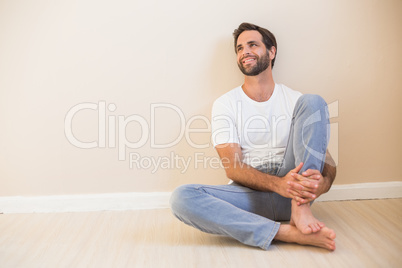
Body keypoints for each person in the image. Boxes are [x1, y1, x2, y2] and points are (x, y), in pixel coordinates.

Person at [170, 22, 337, 251]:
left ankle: (301, 208)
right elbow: (233, 168)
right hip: (249, 197)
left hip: (293, 193)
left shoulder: (297, 101)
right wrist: (280, 185)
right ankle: (286, 233)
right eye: (239, 48)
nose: (244, 52)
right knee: (182, 197)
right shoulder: (226, 104)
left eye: (252, 45)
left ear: (271, 51)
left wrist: (321, 185)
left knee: (314, 101)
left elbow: (326, 163)